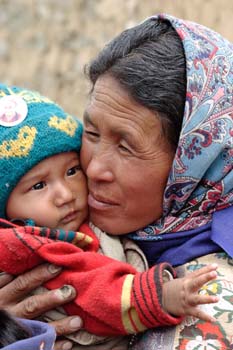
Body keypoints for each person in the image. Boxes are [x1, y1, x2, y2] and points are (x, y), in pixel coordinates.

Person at [0, 13, 232, 349]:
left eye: (126, 146)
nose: (94, 170)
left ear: (193, 161)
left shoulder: (207, 301)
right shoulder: (52, 232)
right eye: (91, 133)